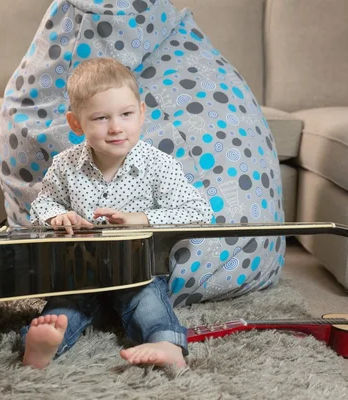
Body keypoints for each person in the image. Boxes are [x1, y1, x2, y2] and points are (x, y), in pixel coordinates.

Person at [22, 57, 213, 369]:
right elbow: (42, 205)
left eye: (126, 114)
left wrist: (142, 218)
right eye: (100, 118)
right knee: (63, 308)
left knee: (149, 302)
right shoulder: (66, 165)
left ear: (141, 113)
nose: (115, 128)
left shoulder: (158, 165)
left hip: (137, 273)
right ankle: (39, 349)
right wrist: (58, 217)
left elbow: (198, 213)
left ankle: (166, 345)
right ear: (76, 123)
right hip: (82, 274)